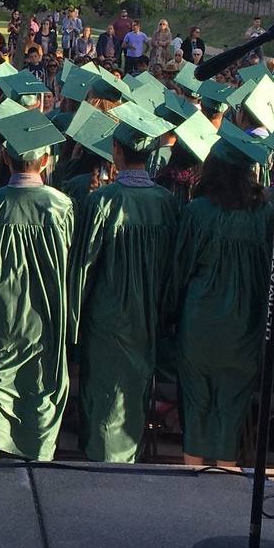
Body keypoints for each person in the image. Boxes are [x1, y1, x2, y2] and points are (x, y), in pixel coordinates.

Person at [69, 103, 180, 462]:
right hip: (147, 313)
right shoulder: (165, 202)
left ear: (116, 149)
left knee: (103, 392)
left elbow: (83, 264)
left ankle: (101, 461)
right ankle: (128, 459)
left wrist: (75, 315)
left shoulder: (102, 201)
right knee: (132, 388)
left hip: (105, 313)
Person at [0, 107, 72, 460]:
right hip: (46, 315)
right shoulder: (62, 207)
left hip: (0, 313)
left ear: (6, 159)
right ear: (45, 160)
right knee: (40, 385)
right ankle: (37, 458)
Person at [169, 134, 273, 467]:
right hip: (246, 323)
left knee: (196, 400)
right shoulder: (264, 214)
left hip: (200, 321)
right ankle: (227, 476)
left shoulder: (198, 211)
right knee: (232, 401)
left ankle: (193, 475)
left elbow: (180, 268)